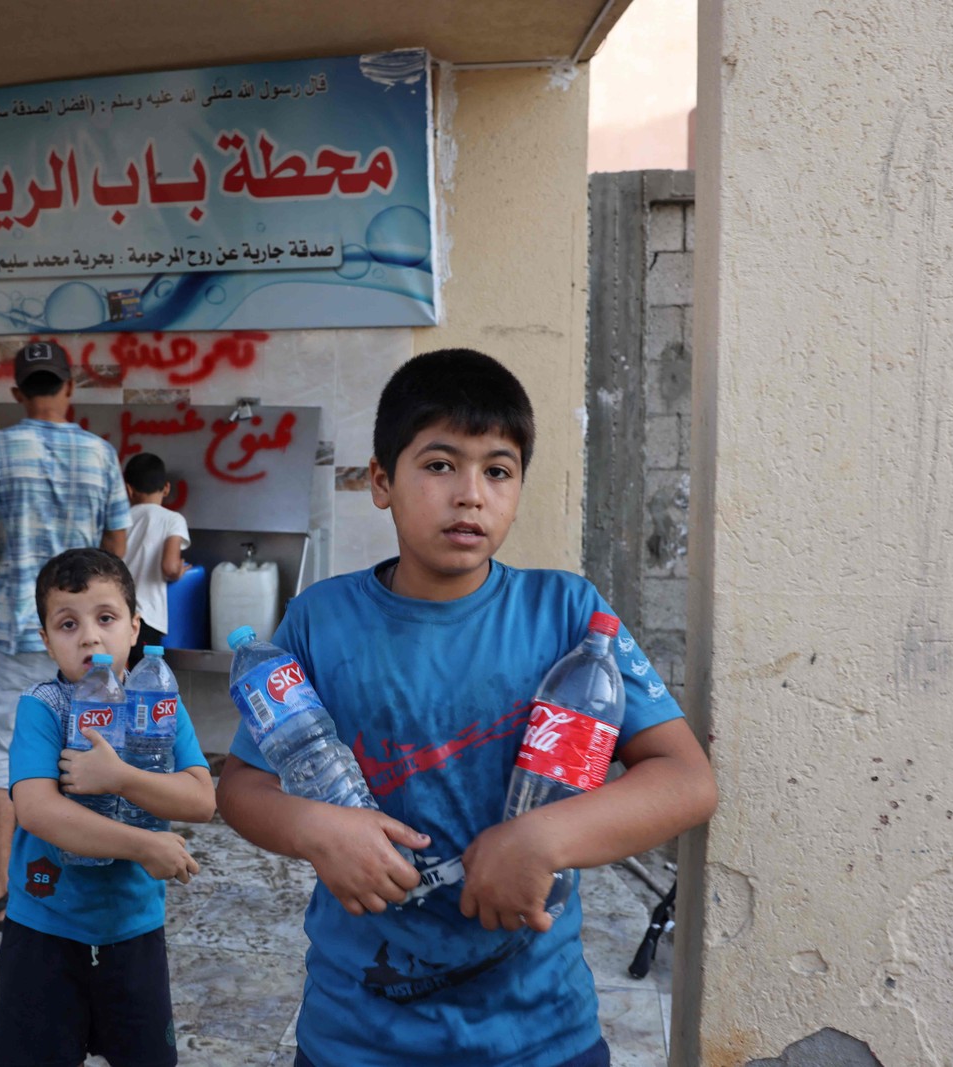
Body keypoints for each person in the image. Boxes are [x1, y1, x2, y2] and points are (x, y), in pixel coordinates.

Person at [215, 349, 719, 1067]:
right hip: (356, 1034)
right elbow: (239, 785)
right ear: (382, 481)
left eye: (498, 470)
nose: (471, 494)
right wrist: (312, 826)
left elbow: (685, 778)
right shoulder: (319, 621)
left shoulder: (568, 614)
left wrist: (543, 839)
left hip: (540, 1034)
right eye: (440, 464)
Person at [0, 547, 212, 1067]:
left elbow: (201, 799)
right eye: (67, 624)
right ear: (45, 640)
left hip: (133, 927)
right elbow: (38, 811)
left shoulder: (160, 703)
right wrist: (143, 844)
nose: (89, 636)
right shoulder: (43, 707)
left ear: (135, 627)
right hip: (44, 926)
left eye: (105, 619)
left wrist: (120, 778)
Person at [0, 340, 131, 932]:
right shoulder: (99, 453)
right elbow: (116, 546)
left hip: (22, 626)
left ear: (18, 393)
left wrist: (0, 553)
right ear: (70, 389)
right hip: (89, 635)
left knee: (0, 758)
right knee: (86, 752)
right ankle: (79, 881)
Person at [120, 452, 190, 667]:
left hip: (116, 614)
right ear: (166, 488)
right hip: (147, 618)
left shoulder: (120, 520)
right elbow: (169, 567)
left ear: (128, 489)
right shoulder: (172, 519)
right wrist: (179, 570)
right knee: (145, 684)